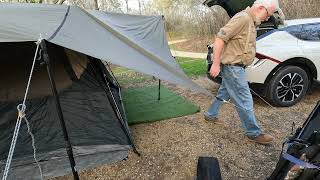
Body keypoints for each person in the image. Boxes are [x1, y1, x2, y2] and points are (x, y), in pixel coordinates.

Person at [204, 0, 279, 144]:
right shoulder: (243, 18)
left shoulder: (251, 21)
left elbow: (240, 45)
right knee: (245, 100)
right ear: (261, 8)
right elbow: (220, 39)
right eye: (269, 14)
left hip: (236, 67)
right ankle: (253, 133)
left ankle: (210, 114)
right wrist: (215, 64)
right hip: (233, 68)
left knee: (223, 92)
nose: (268, 17)